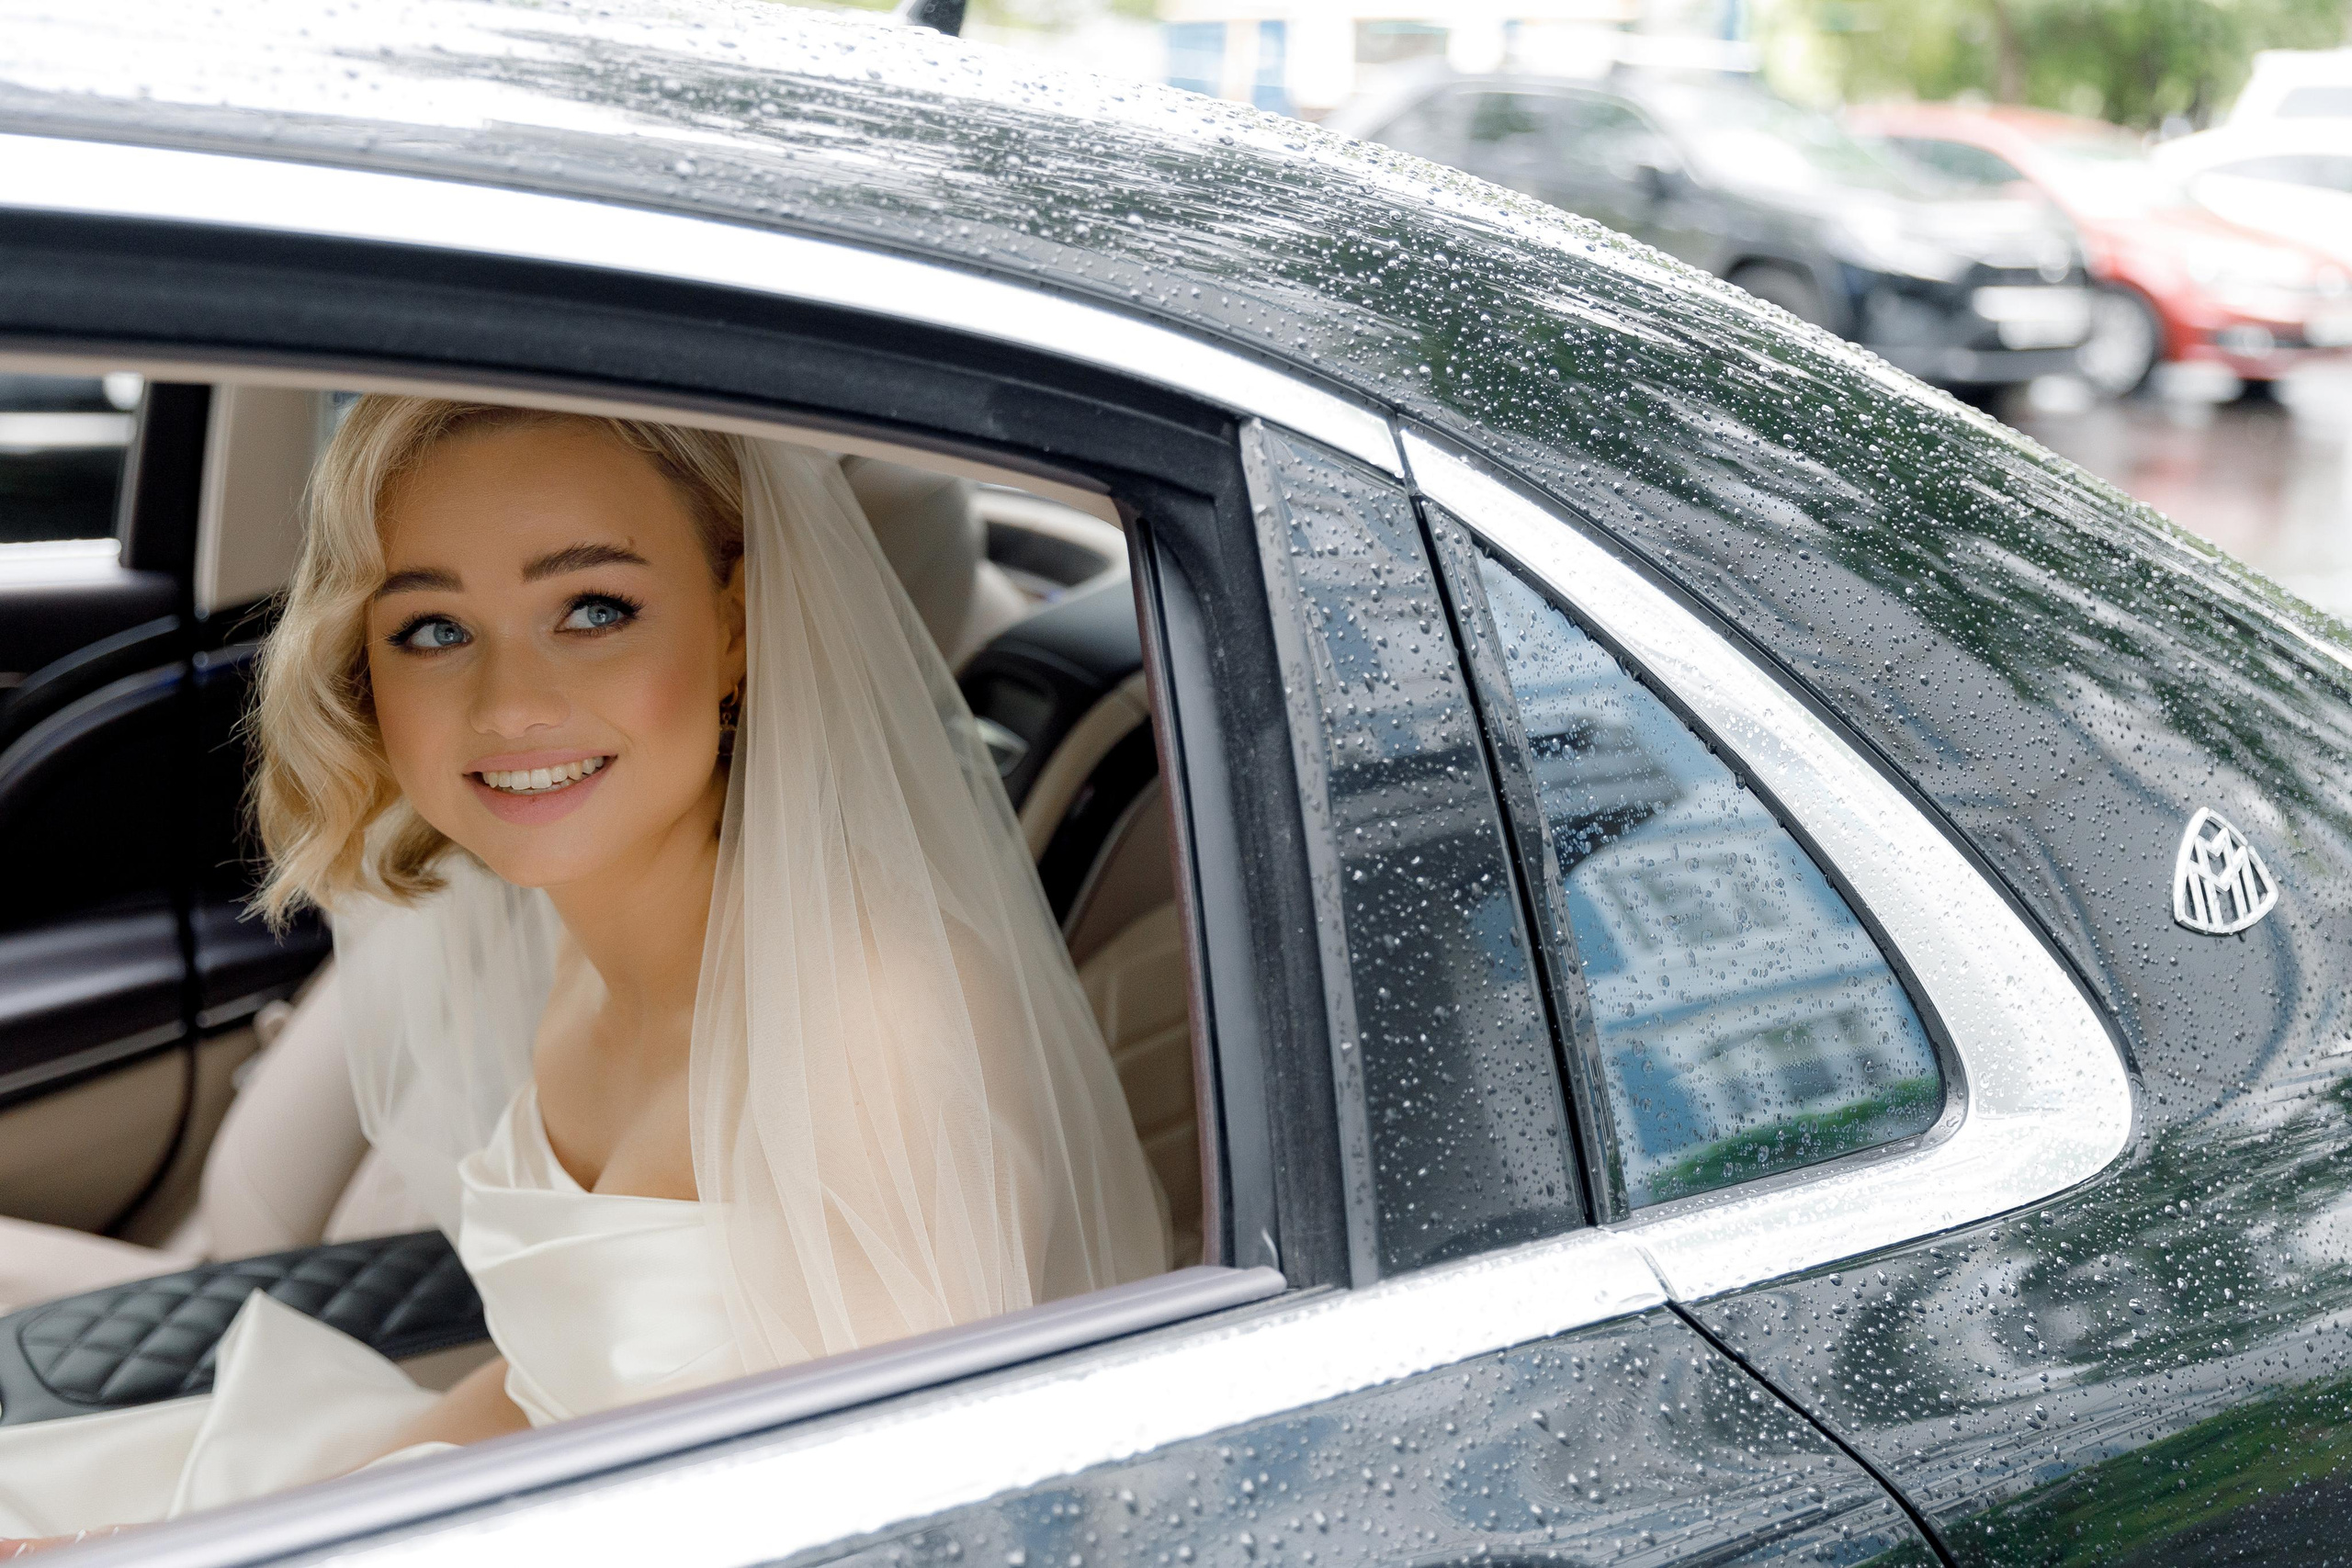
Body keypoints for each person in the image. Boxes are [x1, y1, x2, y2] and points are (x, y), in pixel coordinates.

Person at [0, 400, 1170, 1545]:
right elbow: (550, 1382)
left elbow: (912, 1528)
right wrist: (234, 1533)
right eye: (434, 630)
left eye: (594, 608)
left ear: (735, 625)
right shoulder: (578, 942)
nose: (510, 704)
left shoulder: (871, 1038)